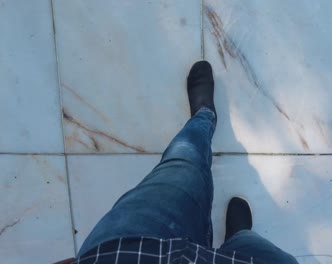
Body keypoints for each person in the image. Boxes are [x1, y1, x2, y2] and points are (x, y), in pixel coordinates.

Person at [55, 61, 298, 264]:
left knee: (183, 163)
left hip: (134, 251)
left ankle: (204, 116)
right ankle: (239, 238)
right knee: (255, 249)